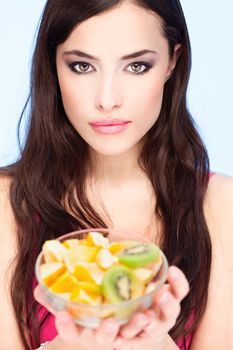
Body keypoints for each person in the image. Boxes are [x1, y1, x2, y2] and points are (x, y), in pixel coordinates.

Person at [0, 0, 233, 349]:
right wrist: (75, 343)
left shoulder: (222, 205)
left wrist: (152, 340)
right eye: (81, 65)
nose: (107, 99)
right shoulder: (4, 204)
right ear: (53, 63)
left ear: (173, 60)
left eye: (137, 66)